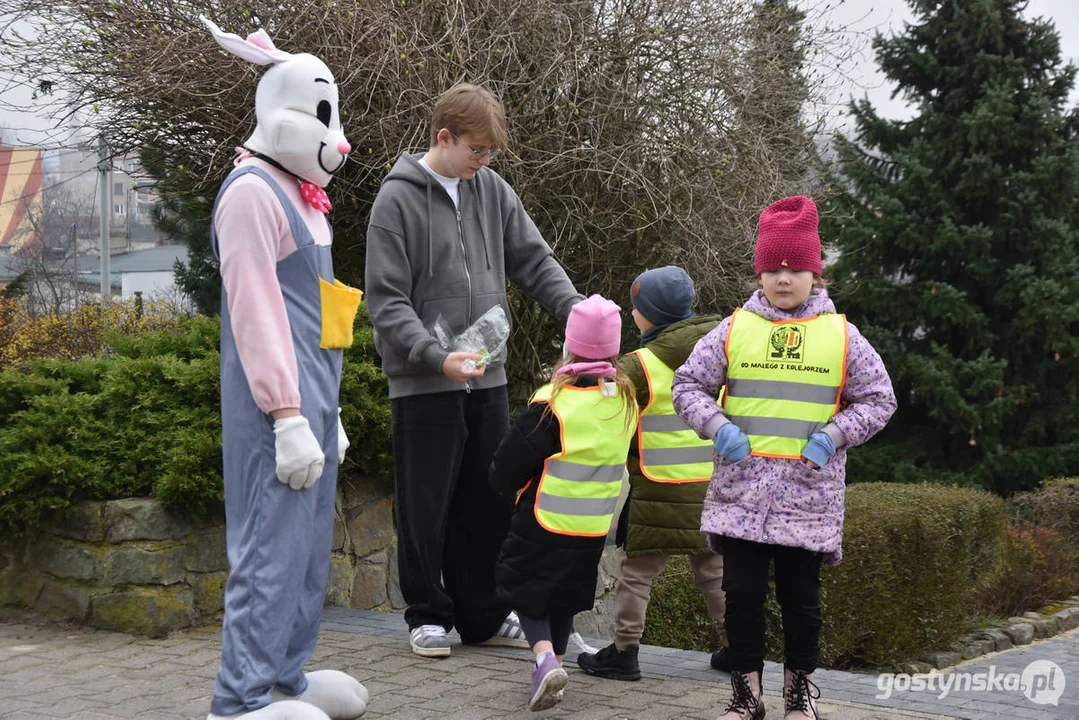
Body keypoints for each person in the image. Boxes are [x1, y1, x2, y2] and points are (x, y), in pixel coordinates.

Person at [364, 83, 585, 658]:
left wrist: (577, 309)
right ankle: (427, 613)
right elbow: (386, 301)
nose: (484, 162)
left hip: (486, 374)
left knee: (486, 500)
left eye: (490, 154)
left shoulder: (491, 190)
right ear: (444, 137)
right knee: (425, 502)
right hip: (423, 380)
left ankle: (482, 616)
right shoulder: (396, 200)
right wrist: (436, 357)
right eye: (476, 151)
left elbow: (534, 260)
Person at [671, 196, 897, 720]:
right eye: (773, 267)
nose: (783, 278)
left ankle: (799, 698)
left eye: (795, 267)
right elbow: (688, 385)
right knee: (742, 599)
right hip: (741, 496)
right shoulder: (732, 328)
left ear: (814, 273)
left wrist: (835, 434)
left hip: (808, 498)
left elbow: (880, 399)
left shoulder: (843, 335)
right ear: (760, 270)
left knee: (801, 604)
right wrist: (717, 426)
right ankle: (746, 699)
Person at [202, 17, 367, 720]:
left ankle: (287, 678)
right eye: (322, 115)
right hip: (278, 413)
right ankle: (236, 702)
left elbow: (320, 315)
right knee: (268, 552)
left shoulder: (304, 201)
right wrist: (287, 414)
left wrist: (324, 415)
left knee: (304, 557)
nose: (337, 136)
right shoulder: (251, 193)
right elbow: (257, 312)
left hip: (311, 408)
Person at [577, 266, 730, 681]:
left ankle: (624, 653)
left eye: (637, 306)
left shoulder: (639, 365)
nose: (632, 312)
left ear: (653, 314)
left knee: (637, 574)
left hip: (656, 487)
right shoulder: (723, 347)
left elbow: (603, 406)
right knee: (714, 569)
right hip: (713, 487)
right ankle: (736, 646)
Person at [489, 295, 639, 711]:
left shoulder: (552, 405)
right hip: (591, 528)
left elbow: (505, 468)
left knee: (527, 591)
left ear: (569, 346)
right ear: (614, 348)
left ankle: (544, 660)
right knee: (563, 598)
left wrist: (507, 486)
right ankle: (555, 670)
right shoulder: (624, 401)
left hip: (543, 519)